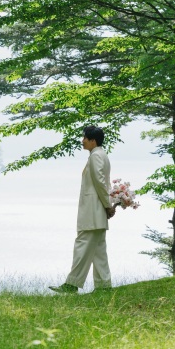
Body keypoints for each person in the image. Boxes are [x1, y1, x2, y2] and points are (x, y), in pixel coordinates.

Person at [49, 125, 115, 294]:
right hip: (97, 211)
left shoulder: (96, 156)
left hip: (93, 211)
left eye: (85, 138)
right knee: (98, 250)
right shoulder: (101, 155)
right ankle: (104, 286)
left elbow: (100, 182)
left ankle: (71, 284)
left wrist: (108, 205)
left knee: (82, 245)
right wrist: (108, 205)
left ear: (93, 140)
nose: (82, 141)